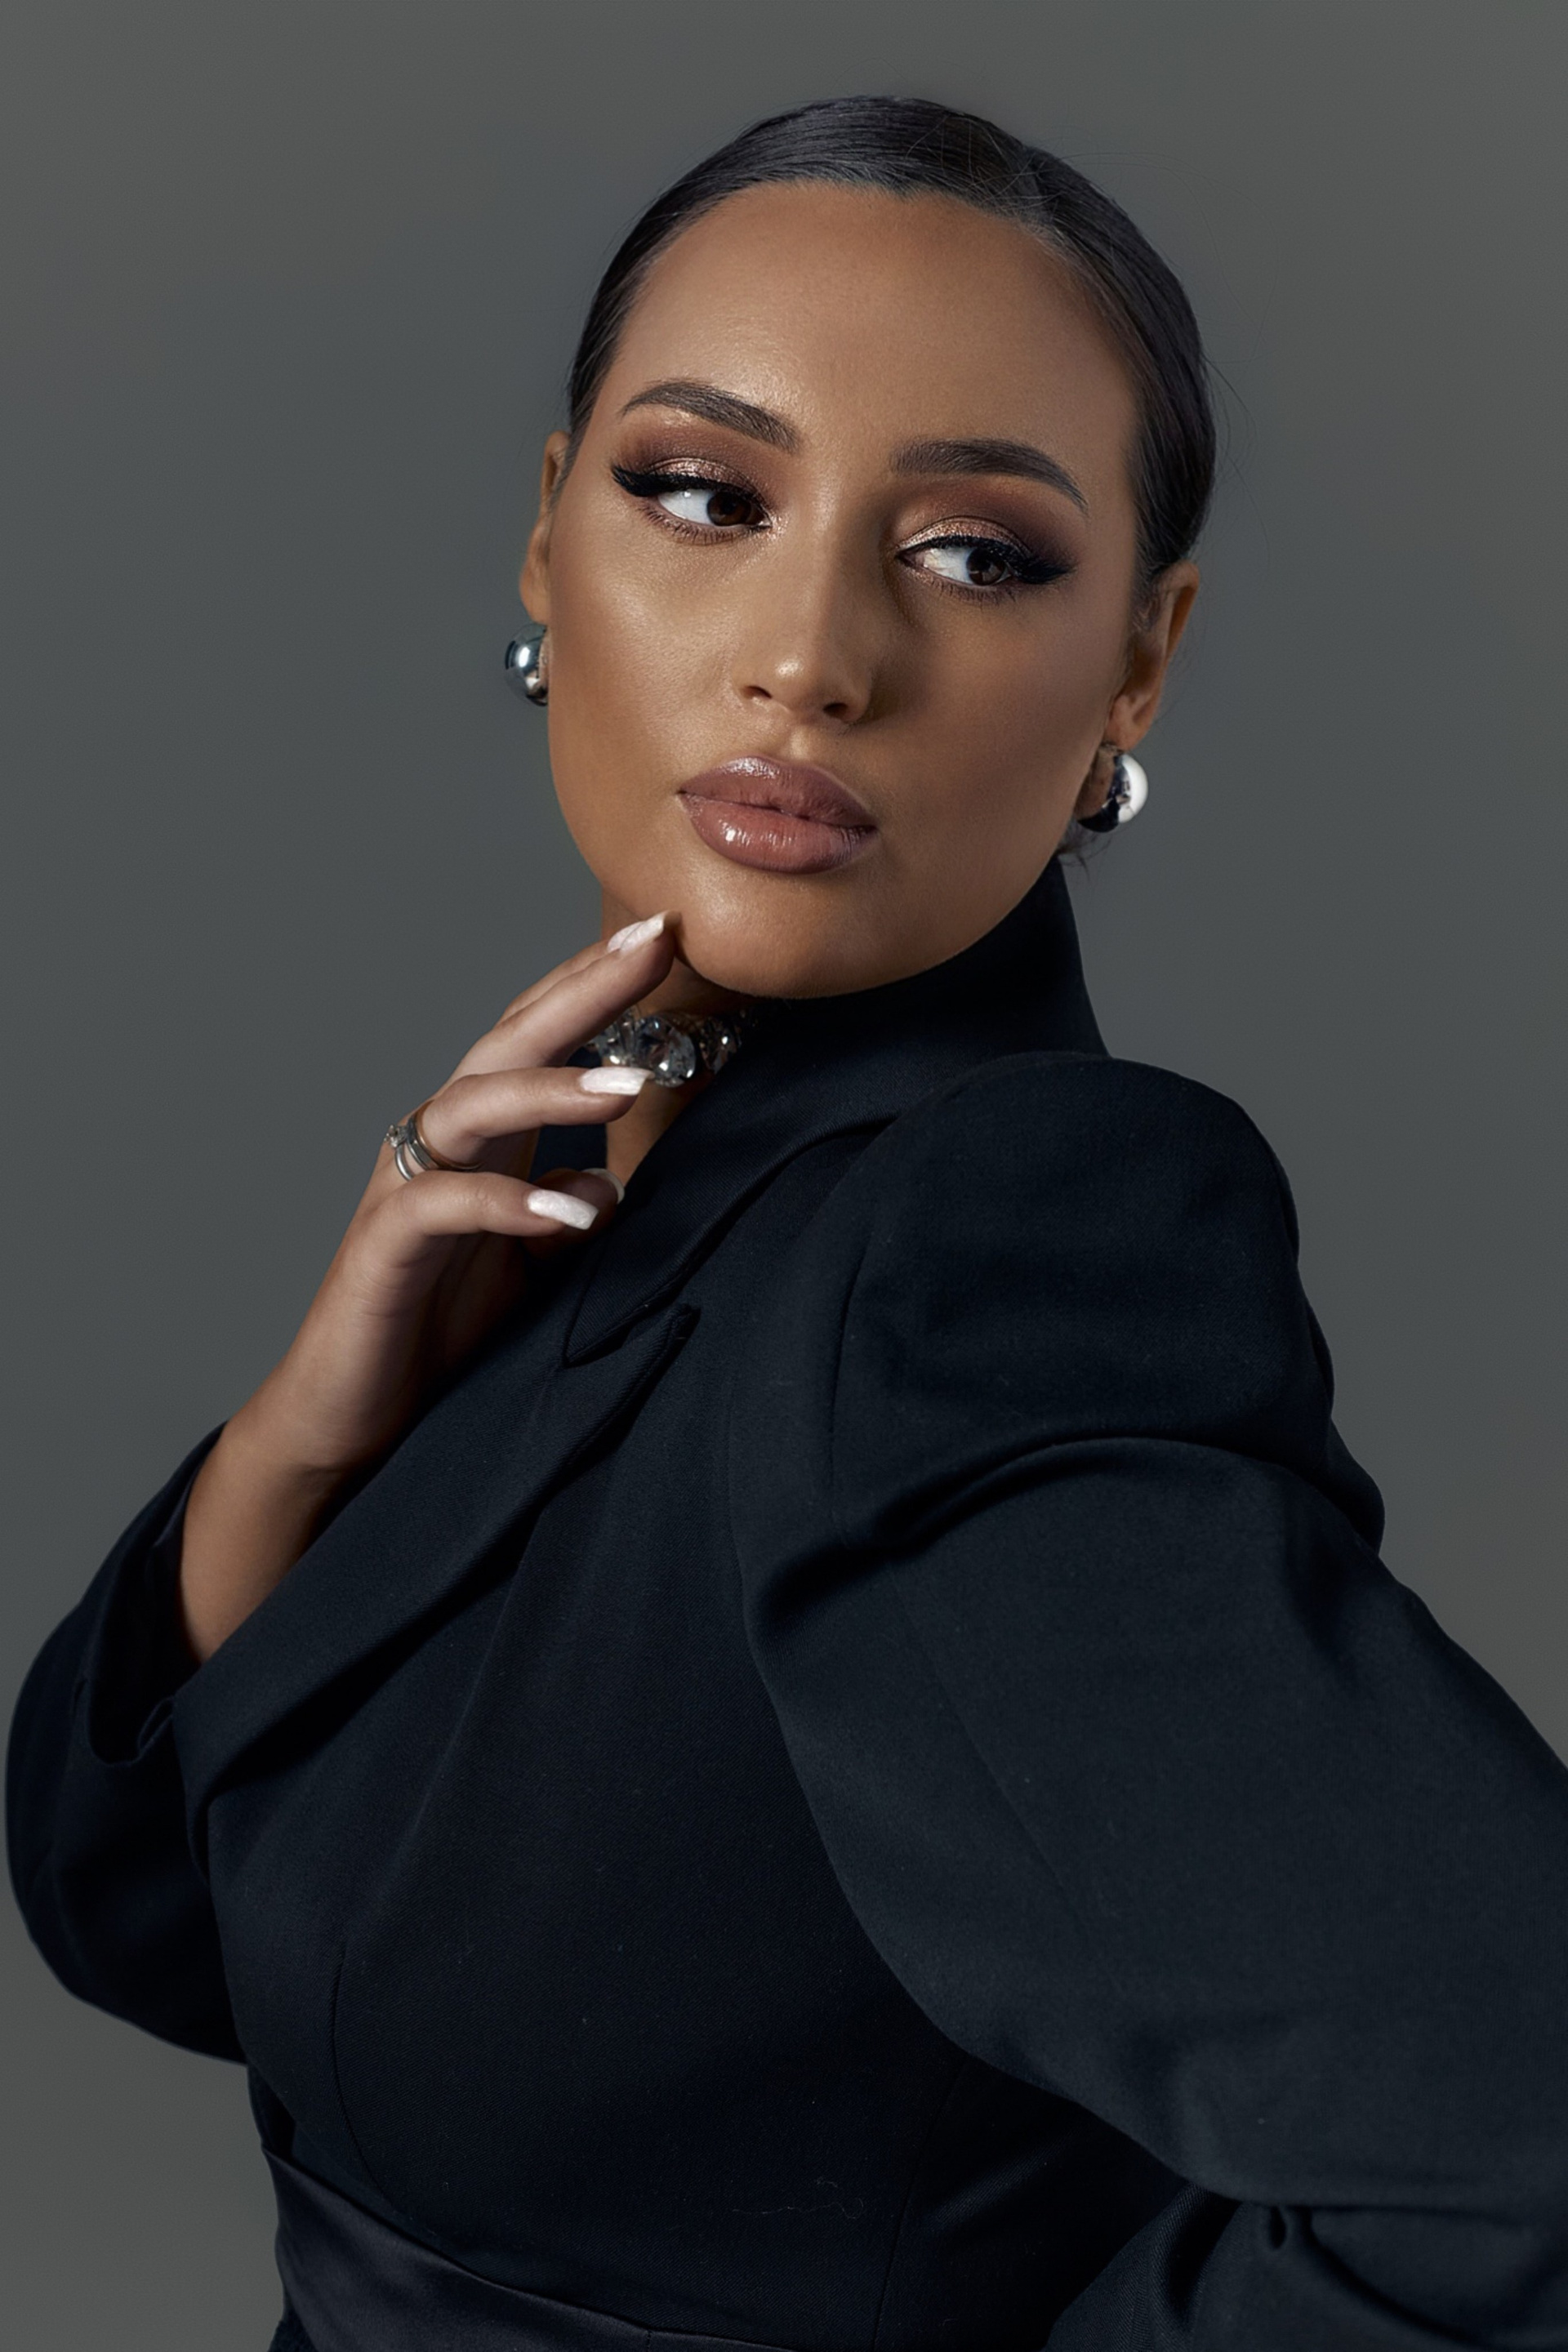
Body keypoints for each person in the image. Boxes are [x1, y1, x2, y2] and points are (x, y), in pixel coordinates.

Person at [9, 94, 1568, 2352]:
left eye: (978, 554)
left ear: (1139, 660)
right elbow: (157, 1926)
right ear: (551, 532)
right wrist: (307, 1450)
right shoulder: (617, 1189)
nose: (813, 653)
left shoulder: (985, 1266)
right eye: (705, 495)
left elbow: (1514, 2149)